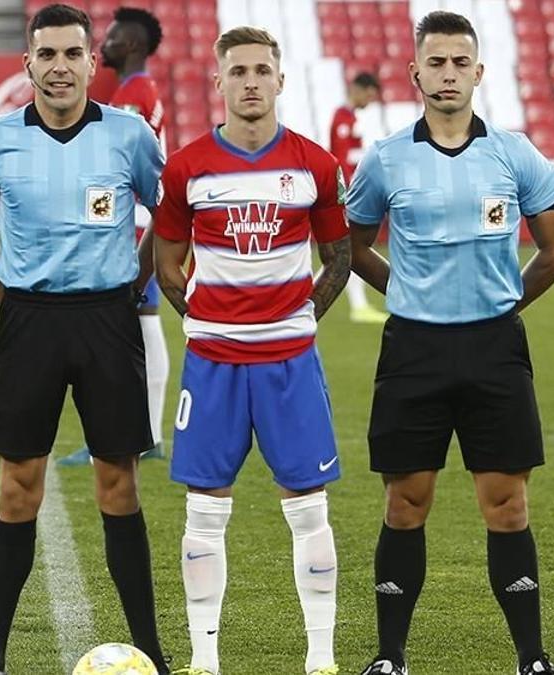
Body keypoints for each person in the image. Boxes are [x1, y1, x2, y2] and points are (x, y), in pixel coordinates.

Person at [345, 11, 554, 675]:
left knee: (506, 504)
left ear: (479, 71)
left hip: (493, 349)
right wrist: (406, 293)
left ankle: (532, 659)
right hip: (414, 350)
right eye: (435, 62)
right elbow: (351, 245)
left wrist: (503, 300)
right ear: (415, 72)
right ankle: (390, 659)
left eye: (459, 62)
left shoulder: (514, 152)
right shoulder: (387, 158)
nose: (448, 73)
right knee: (405, 501)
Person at [0, 4, 169, 674]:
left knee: (118, 485)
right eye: (45, 54)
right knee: (18, 485)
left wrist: (138, 280)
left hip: (107, 319)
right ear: (28, 64)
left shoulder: (129, 136)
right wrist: (5, 299)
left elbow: (166, 209)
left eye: (71, 54)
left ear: (88, 61)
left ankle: (151, 649)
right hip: (30, 322)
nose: (58, 67)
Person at [153, 26, 350, 675]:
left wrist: (296, 316)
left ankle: (320, 656)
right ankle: (204, 659)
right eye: (237, 71)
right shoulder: (185, 168)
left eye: (262, 70)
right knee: (205, 508)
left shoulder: (315, 164)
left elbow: (340, 256)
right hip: (212, 363)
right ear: (219, 81)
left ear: (280, 79)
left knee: (308, 505)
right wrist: (206, 320)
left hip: (290, 361)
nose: (250, 81)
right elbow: (168, 261)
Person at [60, 4, 170, 467]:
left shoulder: (132, 96)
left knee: (132, 329)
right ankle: (148, 432)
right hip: (138, 224)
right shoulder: (139, 88)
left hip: (131, 230)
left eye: (114, 35)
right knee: (143, 326)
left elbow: (117, 166)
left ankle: (137, 433)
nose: (103, 41)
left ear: (134, 45)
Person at [329, 71, 389, 324]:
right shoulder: (343, 118)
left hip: (352, 190)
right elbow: (341, 159)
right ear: (357, 89)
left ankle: (359, 304)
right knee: (352, 248)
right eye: (368, 94)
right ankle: (358, 305)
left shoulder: (349, 117)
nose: (369, 100)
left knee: (350, 249)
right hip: (348, 193)